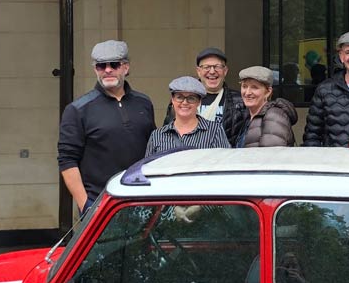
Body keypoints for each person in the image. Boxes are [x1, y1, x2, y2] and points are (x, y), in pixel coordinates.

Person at [58, 40, 155, 213]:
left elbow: (152, 150)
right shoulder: (78, 110)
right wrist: (85, 204)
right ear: (95, 69)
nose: (108, 70)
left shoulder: (144, 103)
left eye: (114, 64)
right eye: (101, 66)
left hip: (141, 199)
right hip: (100, 205)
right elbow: (67, 160)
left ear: (125, 67)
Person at [163, 47, 247, 146]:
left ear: (225, 71)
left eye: (217, 67)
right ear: (198, 71)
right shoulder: (181, 101)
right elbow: (168, 133)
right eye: (206, 67)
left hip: (223, 158)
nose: (212, 71)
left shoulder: (240, 101)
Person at [146, 76, 230, 156]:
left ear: (199, 102)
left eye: (191, 98)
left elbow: (225, 164)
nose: (185, 102)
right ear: (172, 100)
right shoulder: (157, 135)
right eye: (179, 97)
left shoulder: (215, 131)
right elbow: (147, 169)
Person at [235, 66, 297, 147]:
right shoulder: (247, 116)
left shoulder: (274, 116)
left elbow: (270, 157)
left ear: (268, 92)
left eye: (254, 87)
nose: (247, 93)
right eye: (244, 86)